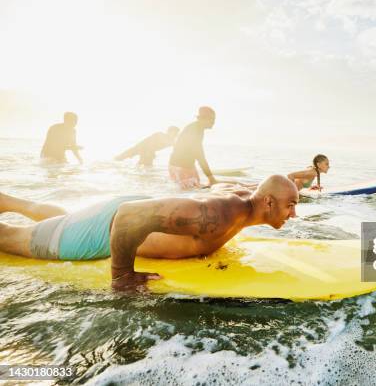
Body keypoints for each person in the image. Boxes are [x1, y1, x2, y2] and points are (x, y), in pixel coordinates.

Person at [0, 175, 299, 290]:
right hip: (105, 229)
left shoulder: (244, 203)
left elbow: (226, 187)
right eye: (291, 205)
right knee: (13, 239)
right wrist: (121, 276)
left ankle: (10, 201)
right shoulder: (219, 215)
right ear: (268, 202)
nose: (294, 214)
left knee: (67, 219)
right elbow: (129, 216)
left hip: (119, 211)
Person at [169, 106, 218, 189]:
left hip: (187, 165)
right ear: (204, 118)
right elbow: (200, 156)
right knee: (191, 192)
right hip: (180, 167)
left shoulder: (198, 128)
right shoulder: (194, 130)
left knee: (198, 188)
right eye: (212, 119)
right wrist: (210, 177)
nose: (214, 122)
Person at [115, 126, 180, 166]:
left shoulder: (172, 141)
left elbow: (177, 149)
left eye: (176, 133)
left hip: (148, 152)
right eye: (174, 132)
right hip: (139, 147)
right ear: (168, 131)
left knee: (146, 166)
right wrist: (173, 143)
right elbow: (160, 141)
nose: (175, 134)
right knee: (118, 158)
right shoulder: (160, 134)